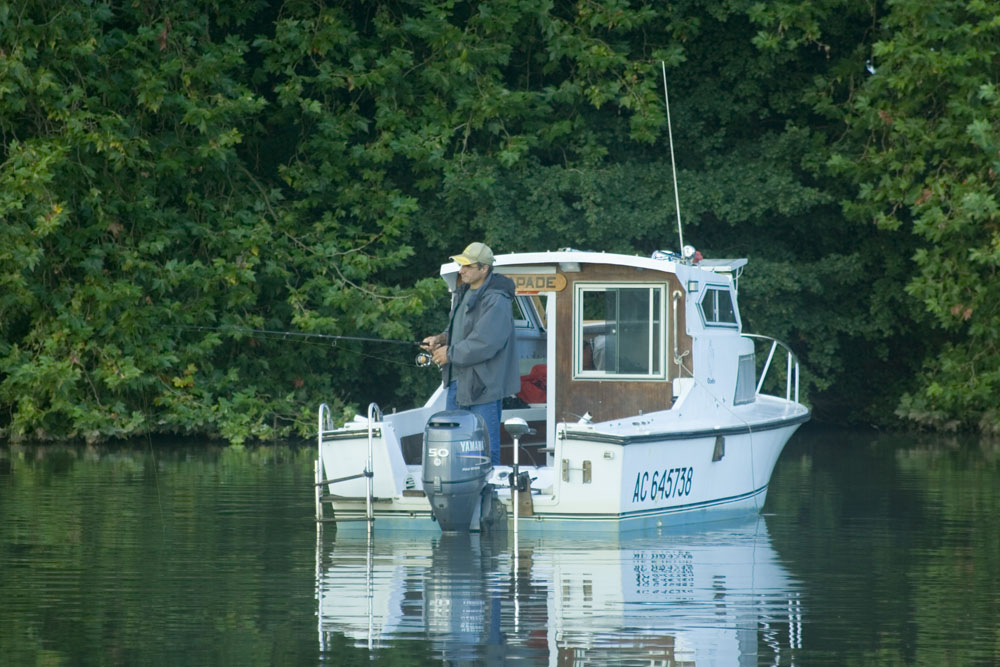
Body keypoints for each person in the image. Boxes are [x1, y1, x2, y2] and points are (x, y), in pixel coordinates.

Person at [422, 242, 520, 466]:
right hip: (457, 383)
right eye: (460, 265)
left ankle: (488, 492)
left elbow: (486, 342)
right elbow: (460, 329)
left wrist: (450, 353)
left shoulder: (497, 299)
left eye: (466, 266)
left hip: (483, 387)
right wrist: (441, 339)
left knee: (484, 445)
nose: (461, 270)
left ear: (484, 268)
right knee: (454, 443)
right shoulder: (464, 291)